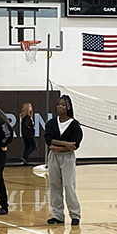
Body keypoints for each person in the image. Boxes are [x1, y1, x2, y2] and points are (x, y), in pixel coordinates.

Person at [44, 95, 83, 225]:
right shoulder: (51, 123)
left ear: (69, 107)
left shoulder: (74, 124)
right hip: (53, 158)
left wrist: (59, 147)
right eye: (59, 104)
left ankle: (75, 214)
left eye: (63, 105)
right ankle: (58, 215)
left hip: (67, 158)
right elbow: (49, 141)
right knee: (54, 185)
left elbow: (75, 145)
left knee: (68, 185)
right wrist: (66, 144)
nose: (60, 107)